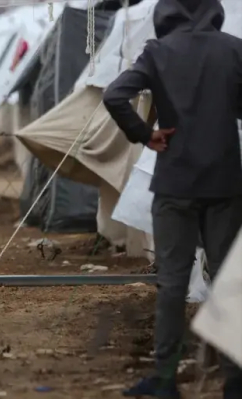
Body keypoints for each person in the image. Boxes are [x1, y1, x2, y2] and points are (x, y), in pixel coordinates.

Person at [103, 0, 242, 398]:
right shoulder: (234, 49)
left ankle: (165, 380)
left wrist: (145, 134)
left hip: (175, 181)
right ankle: (234, 379)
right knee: (229, 281)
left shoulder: (158, 52)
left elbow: (115, 95)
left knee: (172, 282)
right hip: (225, 181)